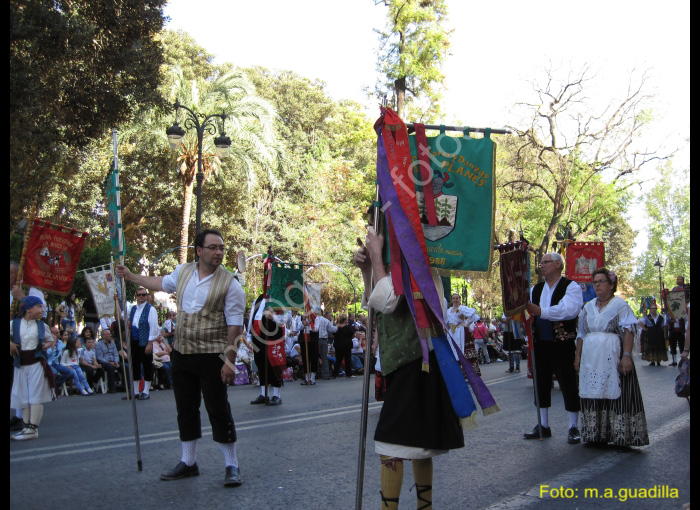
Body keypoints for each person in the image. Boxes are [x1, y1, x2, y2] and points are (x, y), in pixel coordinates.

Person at [117, 228, 245, 487]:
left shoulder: (231, 284)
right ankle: (188, 462)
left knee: (218, 409)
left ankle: (232, 465)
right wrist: (131, 277)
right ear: (199, 251)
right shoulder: (183, 272)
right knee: (185, 409)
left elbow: (235, 326)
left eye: (221, 247)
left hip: (213, 356)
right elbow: (159, 283)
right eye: (213, 247)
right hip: (182, 354)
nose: (219, 252)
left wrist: (230, 361)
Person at [354, 226, 464, 510]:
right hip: (402, 363)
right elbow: (374, 302)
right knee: (416, 442)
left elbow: (388, 301)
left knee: (393, 442)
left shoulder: (418, 260)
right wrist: (368, 269)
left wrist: (376, 257)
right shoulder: (396, 264)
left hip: (419, 361)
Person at [574, 268, 649, 446]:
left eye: (601, 281)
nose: (597, 285)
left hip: (614, 359)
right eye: (595, 282)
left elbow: (629, 331)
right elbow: (581, 333)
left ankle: (621, 436)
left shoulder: (620, 305)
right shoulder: (588, 307)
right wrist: (577, 356)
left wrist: (626, 356)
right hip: (591, 359)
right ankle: (595, 435)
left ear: (611, 284)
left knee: (618, 394)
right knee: (593, 392)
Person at [524, 252, 584, 444]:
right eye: (541, 263)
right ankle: (543, 424)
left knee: (568, 382)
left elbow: (569, 310)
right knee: (540, 384)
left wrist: (542, 311)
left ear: (558, 264)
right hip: (540, 342)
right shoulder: (536, 288)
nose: (541, 265)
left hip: (562, 342)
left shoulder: (571, 287)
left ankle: (573, 426)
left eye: (545, 262)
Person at [10, 296, 56, 440]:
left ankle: (33, 428)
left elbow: (51, 339)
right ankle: (26, 427)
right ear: (28, 309)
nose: (42, 310)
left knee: (36, 395)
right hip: (20, 364)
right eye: (39, 307)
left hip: (36, 363)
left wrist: (48, 344)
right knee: (21, 395)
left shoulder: (42, 326)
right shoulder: (14, 324)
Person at [247, 297, 285, 405]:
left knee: (274, 364)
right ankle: (264, 394)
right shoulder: (258, 299)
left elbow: (287, 319)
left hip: (272, 337)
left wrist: (273, 317)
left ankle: (277, 395)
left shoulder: (280, 298)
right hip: (258, 336)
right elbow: (252, 317)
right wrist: (249, 335)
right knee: (260, 364)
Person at [127, 287, 160, 400]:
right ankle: (135, 391)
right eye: (139, 295)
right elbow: (121, 316)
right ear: (136, 296)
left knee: (146, 364)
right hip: (134, 340)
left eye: (143, 295)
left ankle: (146, 391)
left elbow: (153, 327)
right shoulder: (133, 309)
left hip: (145, 340)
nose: (141, 297)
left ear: (146, 296)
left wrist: (150, 343)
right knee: (134, 364)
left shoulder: (150, 309)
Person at [445, 293, 480, 369]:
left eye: (457, 298)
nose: (455, 300)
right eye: (454, 298)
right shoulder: (448, 311)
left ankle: (466, 371)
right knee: (452, 350)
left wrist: (466, 324)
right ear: (451, 300)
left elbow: (475, 316)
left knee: (462, 350)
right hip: (452, 332)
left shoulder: (462, 308)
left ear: (459, 299)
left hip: (460, 332)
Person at [95, 328, 122, 394]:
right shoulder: (99, 344)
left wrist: (116, 362)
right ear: (104, 336)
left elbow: (116, 354)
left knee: (125, 366)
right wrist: (109, 362)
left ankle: (125, 386)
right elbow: (100, 357)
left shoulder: (113, 344)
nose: (111, 335)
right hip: (104, 362)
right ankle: (111, 388)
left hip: (113, 361)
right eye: (109, 334)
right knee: (110, 367)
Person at [314, 311, 338, 380]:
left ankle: (314, 374)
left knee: (315, 357)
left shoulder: (314, 319)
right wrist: (337, 326)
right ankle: (326, 375)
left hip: (315, 339)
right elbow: (332, 329)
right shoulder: (325, 321)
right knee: (324, 357)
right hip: (323, 339)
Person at [331, 315, 355, 379]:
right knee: (347, 359)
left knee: (338, 360)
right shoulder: (348, 327)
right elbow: (353, 335)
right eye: (347, 319)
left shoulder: (336, 327)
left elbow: (332, 336)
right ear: (344, 321)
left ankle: (335, 374)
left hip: (338, 345)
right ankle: (348, 374)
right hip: (346, 345)